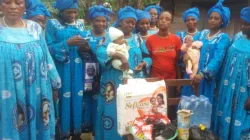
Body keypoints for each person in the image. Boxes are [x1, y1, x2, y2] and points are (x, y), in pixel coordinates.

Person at [0, 0, 61, 139]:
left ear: (25, 6)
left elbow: (46, 57)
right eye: (7, 2)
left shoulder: (34, 28)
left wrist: (55, 83)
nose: (13, 7)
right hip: (6, 93)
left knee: (37, 123)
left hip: (36, 90)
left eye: (18, 3)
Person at [95, 6, 151, 140]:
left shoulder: (138, 39)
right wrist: (118, 56)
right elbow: (100, 52)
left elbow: (148, 57)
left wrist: (143, 64)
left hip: (133, 82)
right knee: (113, 112)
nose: (131, 25)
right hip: (113, 83)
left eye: (133, 22)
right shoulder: (109, 37)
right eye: (128, 21)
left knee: (133, 112)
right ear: (120, 22)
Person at [45, 0, 90, 138]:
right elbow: (47, 48)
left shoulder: (80, 24)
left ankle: (76, 131)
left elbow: (86, 50)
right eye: (69, 12)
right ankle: (62, 132)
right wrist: (67, 43)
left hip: (78, 67)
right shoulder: (52, 24)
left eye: (75, 12)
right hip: (61, 68)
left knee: (78, 97)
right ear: (61, 12)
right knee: (62, 98)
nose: (73, 15)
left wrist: (85, 47)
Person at [212, 7, 250, 140]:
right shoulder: (237, 37)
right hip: (227, 89)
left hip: (245, 93)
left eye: (247, 24)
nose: (244, 27)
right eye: (243, 23)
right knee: (224, 118)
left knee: (241, 121)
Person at [190, 0, 231, 103]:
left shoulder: (223, 38)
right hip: (194, 75)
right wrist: (187, 55)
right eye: (210, 18)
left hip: (208, 79)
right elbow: (190, 46)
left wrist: (202, 74)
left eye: (216, 18)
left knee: (204, 106)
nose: (212, 20)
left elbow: (218, 59)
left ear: (222, 21)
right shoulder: (202, 34)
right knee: (190, 103)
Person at [84, 5, 114, 135]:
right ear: (91, 21)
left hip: (106, 75)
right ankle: (87, 131)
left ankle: (101, 132)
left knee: (102, 103)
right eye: (97, 20)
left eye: (104, 21)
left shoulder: (111, 38)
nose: (101, 23)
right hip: (87, 75)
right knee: (88, 103)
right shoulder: (84, 36)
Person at [146, 11, 181, 80]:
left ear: (170, 23)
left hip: (171, 79)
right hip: (155, 79)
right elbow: (148, 60)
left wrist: (178, 81)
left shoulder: (176, 39)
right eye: (161, 18)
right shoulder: (150, 39)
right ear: (158, 21)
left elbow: (178, 62)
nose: (164, 21)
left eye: (167, 19)